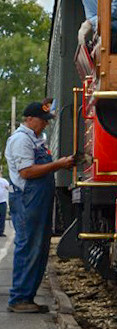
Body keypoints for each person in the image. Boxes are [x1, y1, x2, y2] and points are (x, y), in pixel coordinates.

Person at [6, 102, 74, 312]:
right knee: (28, 246)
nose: (45, 124)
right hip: (28, 199)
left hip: (37, 199)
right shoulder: (20, 140)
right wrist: (58, 165)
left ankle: (27, 297)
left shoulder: (36, 139)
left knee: (39, 247)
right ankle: (19, 298)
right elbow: (26, 172)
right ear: (29, 119)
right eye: (42, 120)